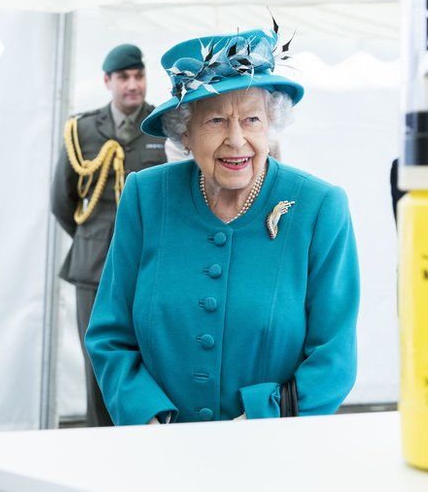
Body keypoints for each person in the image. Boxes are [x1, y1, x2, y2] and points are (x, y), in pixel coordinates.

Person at [85, 28, 360, 425]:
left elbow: (334, 358)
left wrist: (256, 422)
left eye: (251, 119)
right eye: (216, 121)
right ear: (185, 133)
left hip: (271, 455)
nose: (236, 140)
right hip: (157, 455)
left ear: (270, 124)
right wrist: (149, 420)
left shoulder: (320, 208)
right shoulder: (145, 197)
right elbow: (110, 335)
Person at [51, 43, 165, 427]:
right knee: (99, 363)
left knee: (150, 359)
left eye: (139, 75)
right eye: (124, 77)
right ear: (107, 81)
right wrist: (94, 239)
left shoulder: (164, 127)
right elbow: (62, 201)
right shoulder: (81, 129)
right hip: (94, 267)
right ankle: (98, 449)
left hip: (150, 265)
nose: (133, 85)